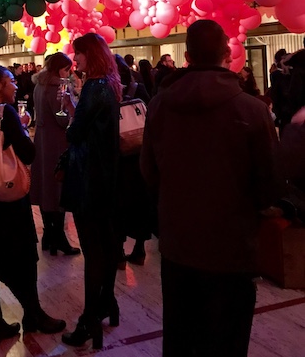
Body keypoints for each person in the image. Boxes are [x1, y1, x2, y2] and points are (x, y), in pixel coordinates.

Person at [141, 19, 277, 357]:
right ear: (226, 54)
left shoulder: (159, 105)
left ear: (186, 55)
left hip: (177, 243)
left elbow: (148, 170)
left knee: (181, 335)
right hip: (231, 246)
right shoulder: (253, 110)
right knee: (226, 339)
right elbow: (270, 185)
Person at [0, 56, 65, 348]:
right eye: (9, 82)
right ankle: (33, 314)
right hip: (5, 198)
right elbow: (28, 154)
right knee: (20, 258)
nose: (14, 87)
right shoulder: (4, 113)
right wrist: (22, 125)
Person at [60, 33, 121, 350]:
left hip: (87, 180)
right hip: (105, 177)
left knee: (93, 251)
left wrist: (71, 113)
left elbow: (74, 133)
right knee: (107, 246)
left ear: (91, 55)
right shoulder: (110, 85)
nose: (76, 60)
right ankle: (107, 303)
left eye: (79, 54)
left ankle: (89, 318)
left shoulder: (94, 87)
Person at [30, 52, 81, 256]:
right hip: (56, 141)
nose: (69, 73)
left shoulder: (39, 85)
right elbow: (62, 118)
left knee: (45, 186)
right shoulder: (58, 86)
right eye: (66, 69)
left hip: (42, 139)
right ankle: (58, 237)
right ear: (60, 68)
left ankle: (48, 234)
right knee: (57, 187)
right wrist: (72, 106)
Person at [114, 55, 152, 269]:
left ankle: (118, 253)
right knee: (140, 203)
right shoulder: (138, 88)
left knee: (118, 204)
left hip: (119, 157)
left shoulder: (109, 92)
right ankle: (139, 249)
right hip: (139, 156)